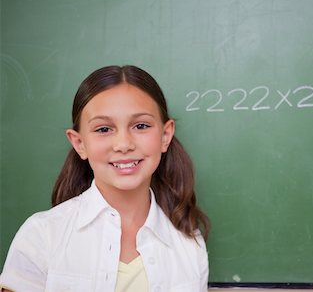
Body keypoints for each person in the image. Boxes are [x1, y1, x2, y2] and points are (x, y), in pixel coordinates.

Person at [0, 65, 209, 292]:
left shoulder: (189, 244)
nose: (124, 145)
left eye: (141, 126)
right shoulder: (41, 235)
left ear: (165, 135)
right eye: (103, 129)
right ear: (79, 143)